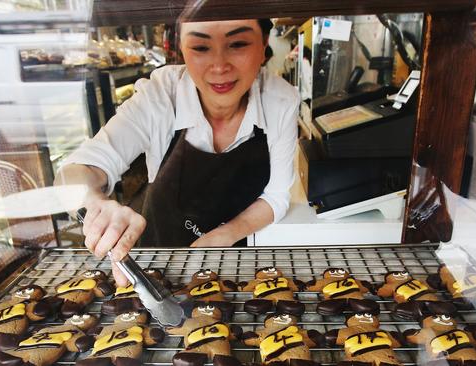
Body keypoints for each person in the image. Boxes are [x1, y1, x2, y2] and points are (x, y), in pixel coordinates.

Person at [55, 18, 299, 286]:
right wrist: (94, 202)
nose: (219, 66)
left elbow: (277, 197)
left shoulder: (280, 101)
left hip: (236, 263)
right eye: (200, 47)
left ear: (264, 45)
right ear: (181, 48)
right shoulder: (159, 95)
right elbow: (79, 170)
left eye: (238, 44)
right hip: (158, 265)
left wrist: (226, 234)